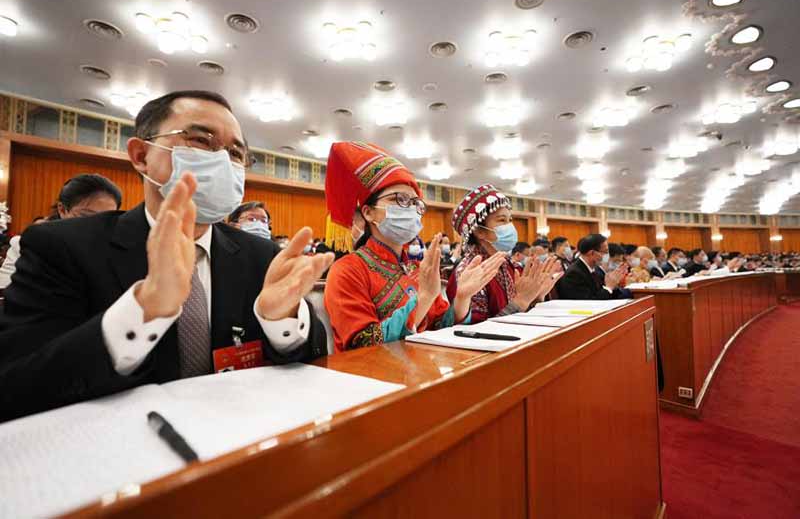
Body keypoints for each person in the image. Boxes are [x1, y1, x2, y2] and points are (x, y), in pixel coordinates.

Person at [0, 90, 333, 421]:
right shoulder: (62, 246)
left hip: (235, 431)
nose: (222, 161)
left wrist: (282, 320)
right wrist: (142, 311)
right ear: (141, 155)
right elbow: (16, 383)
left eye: (235, 153)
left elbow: (313, 359)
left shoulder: (260, 255)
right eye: (201, 141)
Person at [323, 143, 503, 351]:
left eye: (415, 203)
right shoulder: (347, 270)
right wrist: (423, 299)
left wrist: (462, 298)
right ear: (368, 212)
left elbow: (442, 328)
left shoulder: (417, 269)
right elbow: (362, 343)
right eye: (399, 199)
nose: (409, 208)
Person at [447, 184, 561, 323]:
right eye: (502, 220)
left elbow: (526, 318)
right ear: (479, 231)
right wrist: (521, 301)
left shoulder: (512, 266)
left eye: (510, 220)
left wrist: (537, 296)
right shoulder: (468, 272)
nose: (510, 226)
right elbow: (475, 331)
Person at [0, 174, 123, 289]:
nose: (96, 226)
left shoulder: (115, 254)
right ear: (62, 210)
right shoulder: (27, 246)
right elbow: (5, 293)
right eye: (86, 216)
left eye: (106, 219)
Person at [556, 234, 629, 300]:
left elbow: (605, 293)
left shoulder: (596, 270)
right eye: (605, 252)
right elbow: (589, 301)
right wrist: (609, 287)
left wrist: (614, 284)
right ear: (592, 253)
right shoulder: (574, 273)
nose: (607, 256)